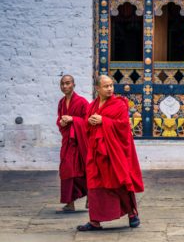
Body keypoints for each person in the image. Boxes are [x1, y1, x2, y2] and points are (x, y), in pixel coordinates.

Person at [77, 75, 144, 231]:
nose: (109, 89)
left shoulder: (119, 105)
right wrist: (89, 122)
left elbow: (123, 127)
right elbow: (87, 125)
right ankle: (95, 221)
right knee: (94, 186)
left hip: (112, 153)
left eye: (111, 86)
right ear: (97, 89)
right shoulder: (92, 106)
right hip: (96, 153)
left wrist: (104, 121)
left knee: (119, 182)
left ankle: (132, 214)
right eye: (106, 86)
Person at [56, 75, 89, 213]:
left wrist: (73, 119)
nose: (64, 86)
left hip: (79, 143)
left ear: (73, 85)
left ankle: (90, 196)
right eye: (62, 84)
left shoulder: (82, 102)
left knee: (81, 171)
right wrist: (61, 122)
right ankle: (70, 202)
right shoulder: (61, 103)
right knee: (66, 170)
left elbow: (87, 122)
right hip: (68, 142)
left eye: (67, 83)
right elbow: (59, 120)